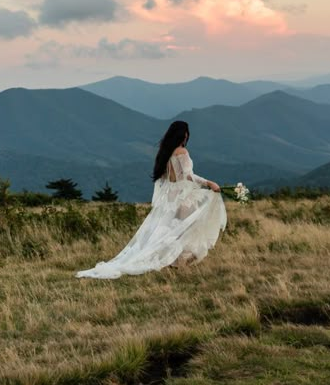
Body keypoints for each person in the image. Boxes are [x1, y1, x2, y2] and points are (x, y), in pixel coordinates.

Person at [76, 120, 227, 279]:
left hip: (169, 198)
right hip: (183, 196)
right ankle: (177, 262)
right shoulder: (182, 152)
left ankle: (174, 261)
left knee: (173, 231)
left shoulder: (164, 153)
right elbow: (189, 176)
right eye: (186, 133)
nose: (187, 136)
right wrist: (209, 183)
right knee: (189, 228)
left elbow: (164, 180)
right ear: (183, 135)